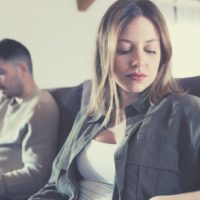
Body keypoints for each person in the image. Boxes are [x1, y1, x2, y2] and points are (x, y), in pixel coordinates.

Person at [29, 0, 200, 199]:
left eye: (150, 50)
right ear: (105, 53)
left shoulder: (186, 111)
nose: (138, 61)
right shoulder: (88, 115)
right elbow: (56, 186)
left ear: (162, 55)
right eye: (124, 49)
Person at [0, 39, 59, 200]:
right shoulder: (5, 101)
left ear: (22, 69)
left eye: (2, 73)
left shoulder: (40, 107)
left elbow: (36, 174)